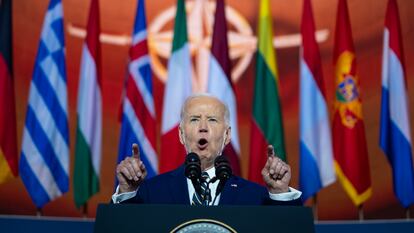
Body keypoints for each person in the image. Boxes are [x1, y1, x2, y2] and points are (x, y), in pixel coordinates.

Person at [112, 94, 301, 205]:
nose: (203, 127)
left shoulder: (254, 197)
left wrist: (279, 192)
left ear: (227, 136)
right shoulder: (151, 193)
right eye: (194, 119)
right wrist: (128, 191)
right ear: (181, 135)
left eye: (212, 119)